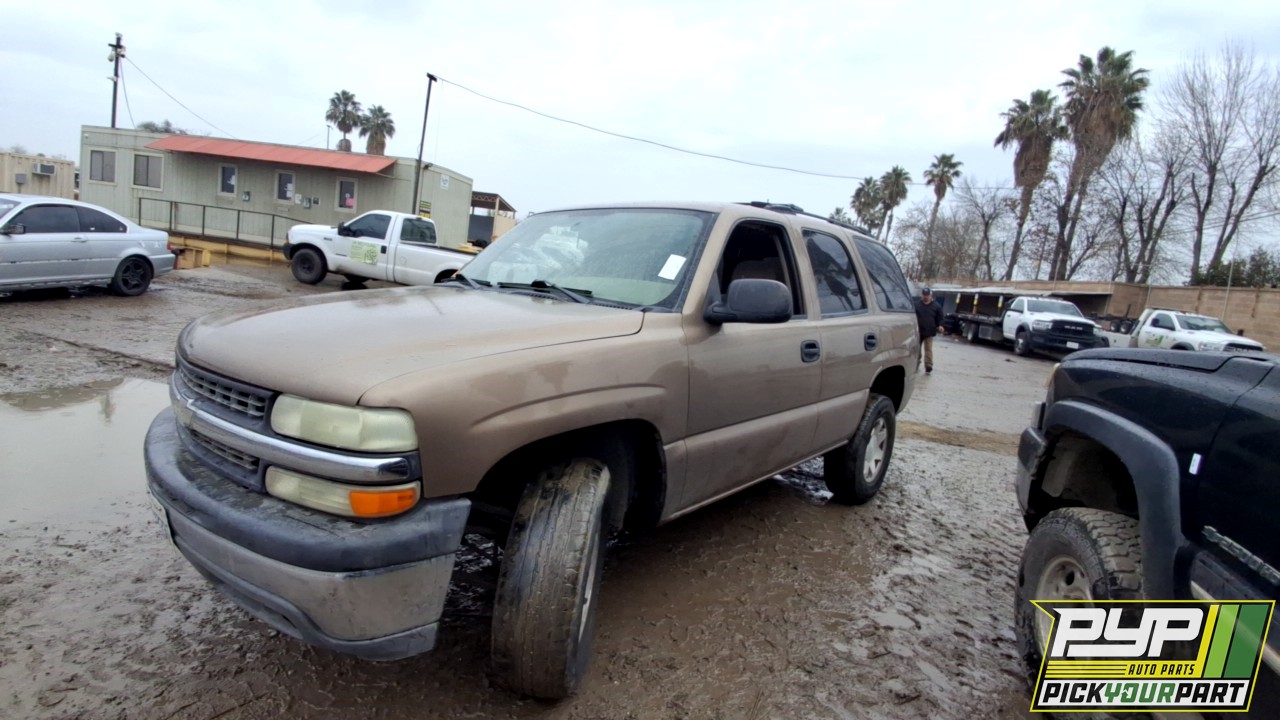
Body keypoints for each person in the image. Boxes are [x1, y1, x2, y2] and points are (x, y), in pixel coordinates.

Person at [914, 287, 944, 374]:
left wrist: (940, 326)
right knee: (917, 349)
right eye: (924, 295)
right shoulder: (917, 305)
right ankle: (916, 363)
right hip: (918, 332)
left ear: (931, 296)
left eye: (927, 295)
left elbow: (940, 318)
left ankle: (928, 365)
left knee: (928, 349)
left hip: (929, 331)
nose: (926, 297)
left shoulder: (936, 306)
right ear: (922, 296)